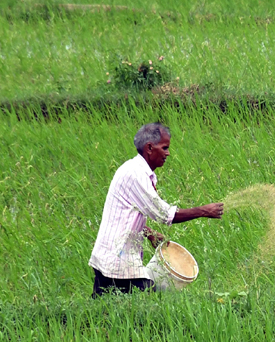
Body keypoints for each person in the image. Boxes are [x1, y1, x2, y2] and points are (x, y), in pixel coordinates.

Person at [88, 122, 223, 296]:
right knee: (148, 296)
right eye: (164, 148)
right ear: (150, 148)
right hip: (117, 260)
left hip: (111, 256)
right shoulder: (136, 175)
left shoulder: (135, 170)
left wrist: (148, 232)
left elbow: (125, 214)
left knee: (106, 304)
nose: (168, 153)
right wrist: (204, 211)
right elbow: (165, 215)